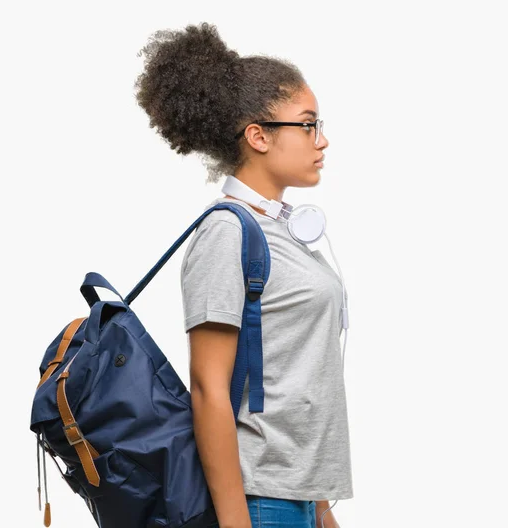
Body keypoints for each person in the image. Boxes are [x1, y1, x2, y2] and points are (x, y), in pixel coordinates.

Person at [135, 22, 353, 528]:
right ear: (258, 136)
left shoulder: (280, 231)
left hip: (297, 498)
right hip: (258, 502)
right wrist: (236, 522)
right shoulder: (227, 234)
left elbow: (291, 375)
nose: (322, 140)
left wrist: (319, 507)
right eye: (307, 124)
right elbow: (209, 387)